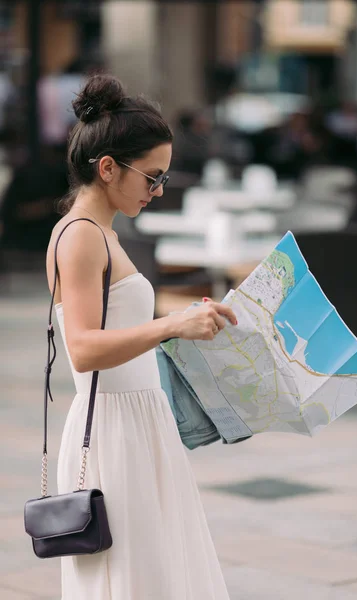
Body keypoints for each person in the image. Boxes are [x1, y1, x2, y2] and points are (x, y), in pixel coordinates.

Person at [46, 74, 236, 599]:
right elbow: (83, 350)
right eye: (153, 177)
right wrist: (173, 325)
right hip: (113, 430)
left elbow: (121, 319)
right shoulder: (82, 235)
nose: (157, 190)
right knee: (133, 581)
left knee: (154, 576)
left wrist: (186, 312)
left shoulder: (100, 230)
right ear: (108, 169)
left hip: (137, 423)